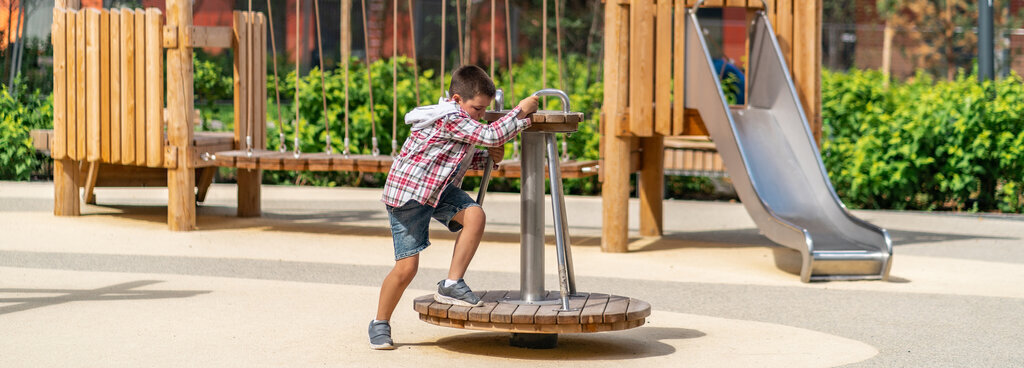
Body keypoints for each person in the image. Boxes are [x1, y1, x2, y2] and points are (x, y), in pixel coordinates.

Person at [368, 65, 540, 350]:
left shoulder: (461, 119)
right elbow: (491, 135)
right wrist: (520, 112)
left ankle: (451, 283)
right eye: (478, 109)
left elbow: (455, 160)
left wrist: (489, 157)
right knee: (406, 268)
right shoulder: (450, 116)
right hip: (409, 196)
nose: (481, 115)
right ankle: (379, 323)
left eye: (485, 110)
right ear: (457, 99)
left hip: (437, 189)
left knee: (475, 214)